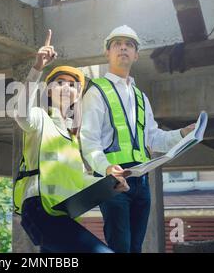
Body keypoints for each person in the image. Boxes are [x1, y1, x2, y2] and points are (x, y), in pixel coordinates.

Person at [79, 25, 195, 253]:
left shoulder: (141, 97)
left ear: (136, 54)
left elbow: (154, 138)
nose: (123, 47)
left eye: (129, 44)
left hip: (142, 182)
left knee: (135, 248)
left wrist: (182, 134)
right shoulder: (96, 91)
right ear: (107, 53)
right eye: (117, 44)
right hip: (113, 180)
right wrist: (106, 169)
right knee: (121, 247)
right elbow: (88, 140)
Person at [13, 30, 128, 253]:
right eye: (60, 83)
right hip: (39, 210)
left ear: (78, 95)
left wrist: (110, 182)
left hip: (60, 211)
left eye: (73, 85)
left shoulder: (73, 138)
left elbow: (78, 181)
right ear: (48, 91)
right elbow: (20, 114)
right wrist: (37, 68)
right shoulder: (39, 119)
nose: (66, 88)